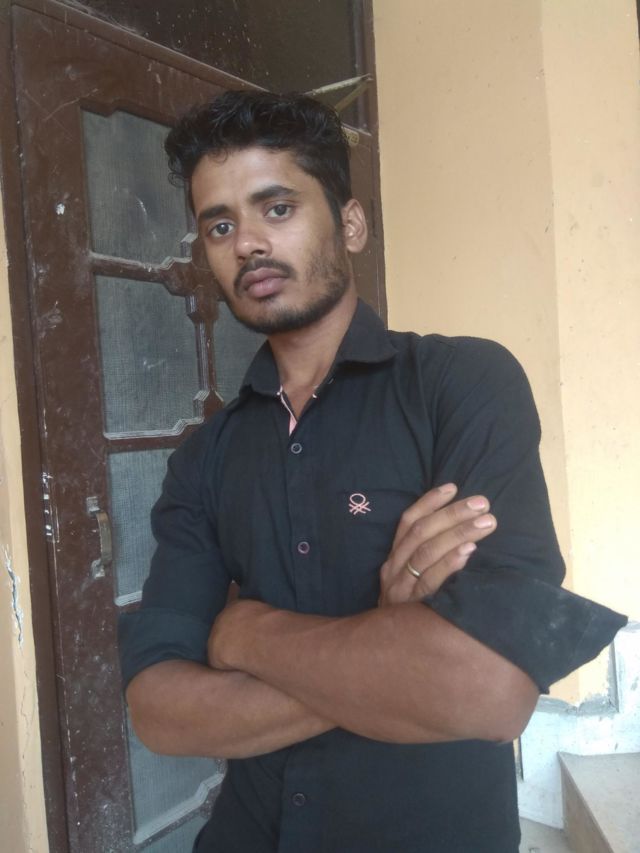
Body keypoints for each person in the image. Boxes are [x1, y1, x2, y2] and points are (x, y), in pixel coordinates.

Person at [119, 90, 626, 853]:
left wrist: (245, 632)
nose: (247, 242)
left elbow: (490, 690)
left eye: (277, 208)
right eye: (219, 225)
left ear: (350, 223)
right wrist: (390, 643)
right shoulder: (207, 455)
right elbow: (160, 711)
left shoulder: (459, 385)